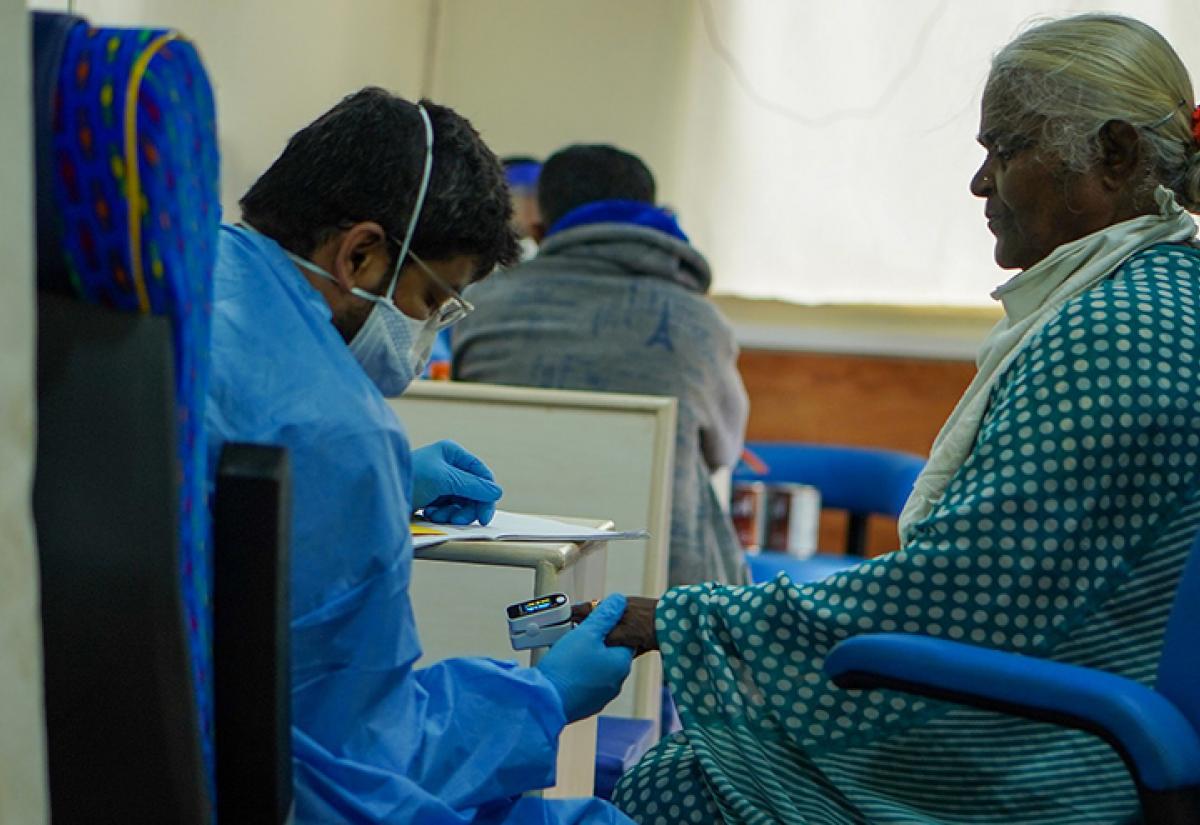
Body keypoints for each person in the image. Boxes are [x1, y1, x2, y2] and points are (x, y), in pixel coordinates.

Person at [594, 14, 1200, 824]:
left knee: (678, 779)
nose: (981, 183)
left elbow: (954, 590)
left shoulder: (1114, 329)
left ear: (1115, 156)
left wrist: (675, 615)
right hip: (1088, 724)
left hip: (1052, 758)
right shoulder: (1156, 295)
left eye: (1007, 148)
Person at [204, 87, 637, 824]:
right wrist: (546, 696)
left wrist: (386, 483)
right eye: (437, 300)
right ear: (362, 253)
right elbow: (374, 764)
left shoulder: (171, 284)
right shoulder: (340, 432)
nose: (430, 328)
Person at [453, 144, 750, 587]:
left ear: (537, 226)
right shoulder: (701, 324)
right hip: (664, 581)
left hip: (505, 569)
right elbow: (724, 452)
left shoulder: (480, 305)